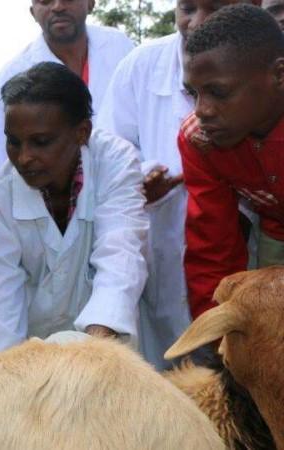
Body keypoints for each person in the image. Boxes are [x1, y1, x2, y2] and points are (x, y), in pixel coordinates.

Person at [96, 0, 259, 369]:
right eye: (187, 8)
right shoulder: (141, 66)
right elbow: (108, 155)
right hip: (160, 249)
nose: (197, 22)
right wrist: (139, 180)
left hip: (240, 250)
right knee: (161, 369)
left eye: (213, 9)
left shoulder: (260, 71)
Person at [0, 62, 148, 356]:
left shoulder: (114, 162)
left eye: (41, 142)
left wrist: (94, 347)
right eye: (13, 142)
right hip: (31, 352)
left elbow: (121, 254)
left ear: (82, 132)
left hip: (103, 341)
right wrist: (2, 373)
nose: (24, 157)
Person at [179, 3, 284, 318]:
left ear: (279, 75)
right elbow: (212, 250)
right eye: (194, 93)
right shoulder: (200, 141)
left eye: (219, 92)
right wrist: (215, 332)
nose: (202, 110)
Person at [0, 0, 134, 175]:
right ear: (33, 12)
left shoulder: (119, 47)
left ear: (90, 3)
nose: (58, 7)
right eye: (45, 1)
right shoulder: (14, 73)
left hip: (127, 180)